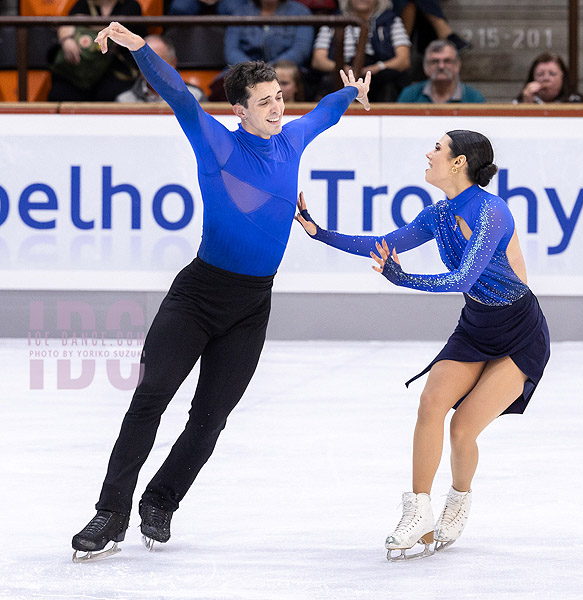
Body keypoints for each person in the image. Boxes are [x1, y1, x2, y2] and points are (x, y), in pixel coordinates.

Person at [71, 20, 371, 561]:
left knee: (210, 419)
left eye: (279, 98)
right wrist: (139, 47)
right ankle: (109, 512)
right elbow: (179, 96)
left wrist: (352, 92)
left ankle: (161, 500)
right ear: (240, 110)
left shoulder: (292, 139)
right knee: (149, 401)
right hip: (198, 296)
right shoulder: (216, 143)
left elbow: (324, 112)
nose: (277, 110)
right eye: (264, 102)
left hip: (251, 305)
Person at [295, 129, 550, 559]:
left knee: (463, 426)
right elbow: (385, 244)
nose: (428, 153)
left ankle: (459, 500)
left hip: (519, 331)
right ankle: (418, 512)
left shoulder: (491, 211)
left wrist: (403, 278)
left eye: (437, 147)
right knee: (431, 403)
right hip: (476, 325)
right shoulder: (438, 214)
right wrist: (319, 231)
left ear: (458, 163)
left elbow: (463, 279)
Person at [311, 0, 411, 102]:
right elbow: (318, 60)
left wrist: (377, 67)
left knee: (390, 82)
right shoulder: (335, 21)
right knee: (328, 82)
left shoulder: (390, 20)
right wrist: (341, 68)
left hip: (379, 73)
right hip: (342, 72)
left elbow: (403, 60)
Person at [48, 0, 145, 102]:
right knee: (59, 91)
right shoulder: (84, 3)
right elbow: (67, 24)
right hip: (84, 65)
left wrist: (82, 20)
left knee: (107, 93)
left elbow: (118, 29)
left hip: (117, 68)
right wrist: (66, 40)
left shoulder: (130, 5)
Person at [116, 34, 207, 103]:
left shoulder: (195, 96)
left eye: (158, 60)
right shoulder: (124, 100)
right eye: (145, 61)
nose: (151, 67)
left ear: (173, 63)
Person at [223, 0, 314, 67]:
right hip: (245, 71)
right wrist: (251, 68)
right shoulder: (240, 13)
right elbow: (232, 50)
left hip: (285, 69)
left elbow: (301, 49)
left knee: (286, 82)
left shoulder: (301, 12)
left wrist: (270, 69)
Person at [397, 39, 484, 103]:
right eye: (435, 61)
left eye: (447, 61)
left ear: (457, 65)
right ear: (425, 66)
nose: (441, 66)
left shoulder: (473, 98)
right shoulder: (409, 95)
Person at [513, 52, 583, 104]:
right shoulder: (522, 100)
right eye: (540, 74)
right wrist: (527, 104)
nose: (546, 78)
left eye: (552, 74)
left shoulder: (576, 101)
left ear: (562, 76)